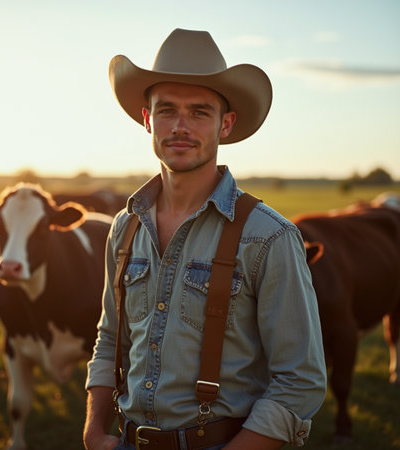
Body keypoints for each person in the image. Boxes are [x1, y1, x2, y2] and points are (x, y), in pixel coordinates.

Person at [83, 28, 326, 450]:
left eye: (199, 112)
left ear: (225, 124)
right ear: (146, 119)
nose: (180, 127)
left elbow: (300, 382)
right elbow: (110, 338)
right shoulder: (126, 227)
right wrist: (93, 431)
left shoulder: (268, 237)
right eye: (166, 111)